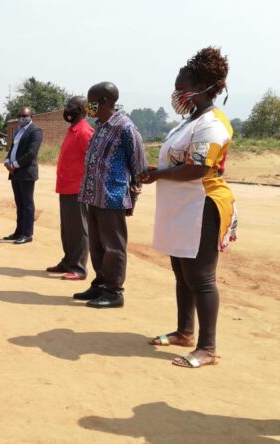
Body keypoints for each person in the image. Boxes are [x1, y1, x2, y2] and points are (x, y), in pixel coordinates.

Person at [141, 47, 237, 368]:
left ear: (198, 87)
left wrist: (158, 175)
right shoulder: (189, 121)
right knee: (182, 273)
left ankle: (208, 348)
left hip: (203, 206)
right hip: (182, 208)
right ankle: (185, 332)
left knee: (202, 278)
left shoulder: (212, 124)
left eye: (180, 86)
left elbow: (198, 168)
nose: (177, 92)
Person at [75, 82, 146, 308]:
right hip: (93, 196)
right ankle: (100, 285)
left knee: (113, 247)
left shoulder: (125, 127)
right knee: (96, 246)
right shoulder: (101, 126)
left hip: (112, 197)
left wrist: (133, 196)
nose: (88, 105)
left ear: (104, 101)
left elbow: (139, 166)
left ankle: (114, 292)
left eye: (91, 100)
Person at [47, 96, 94, 280]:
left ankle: (79, 267)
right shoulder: (73, 130)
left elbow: (93, 162)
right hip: (66, 187)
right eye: (67, 105)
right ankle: (68, 261)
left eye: (71, 106)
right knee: (68, 229)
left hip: (78, 189)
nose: (67, 109)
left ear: (83, 109)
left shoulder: (84, 132)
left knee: (79, 229)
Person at [3, 106, 43, 244]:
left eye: (25, 116)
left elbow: (31, 153)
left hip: (26, 172)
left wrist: (14, 165)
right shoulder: (18, 131)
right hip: (15, 173)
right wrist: (7, 161)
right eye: (19, 115)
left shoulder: (35, 131)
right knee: (19, 204)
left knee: (27, 204)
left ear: (32, 116)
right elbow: (12, 149)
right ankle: (18, 231)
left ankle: (27, 234)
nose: (21, 118)